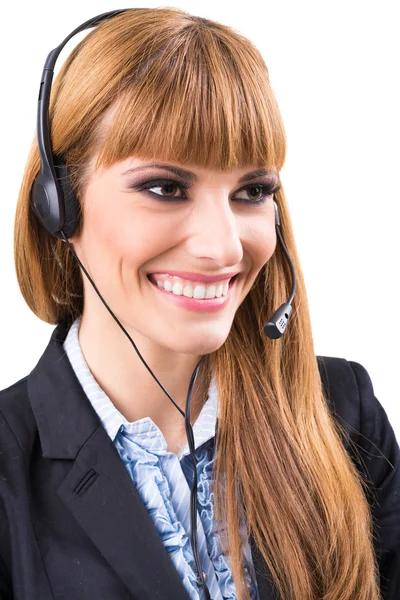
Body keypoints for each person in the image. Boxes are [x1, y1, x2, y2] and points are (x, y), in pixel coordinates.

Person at [0, 7, 399, 600]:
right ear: (58, 206)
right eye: (165, 188)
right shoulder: (8, 467)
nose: (223, 246)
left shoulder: (345, 416)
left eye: (252, 192)